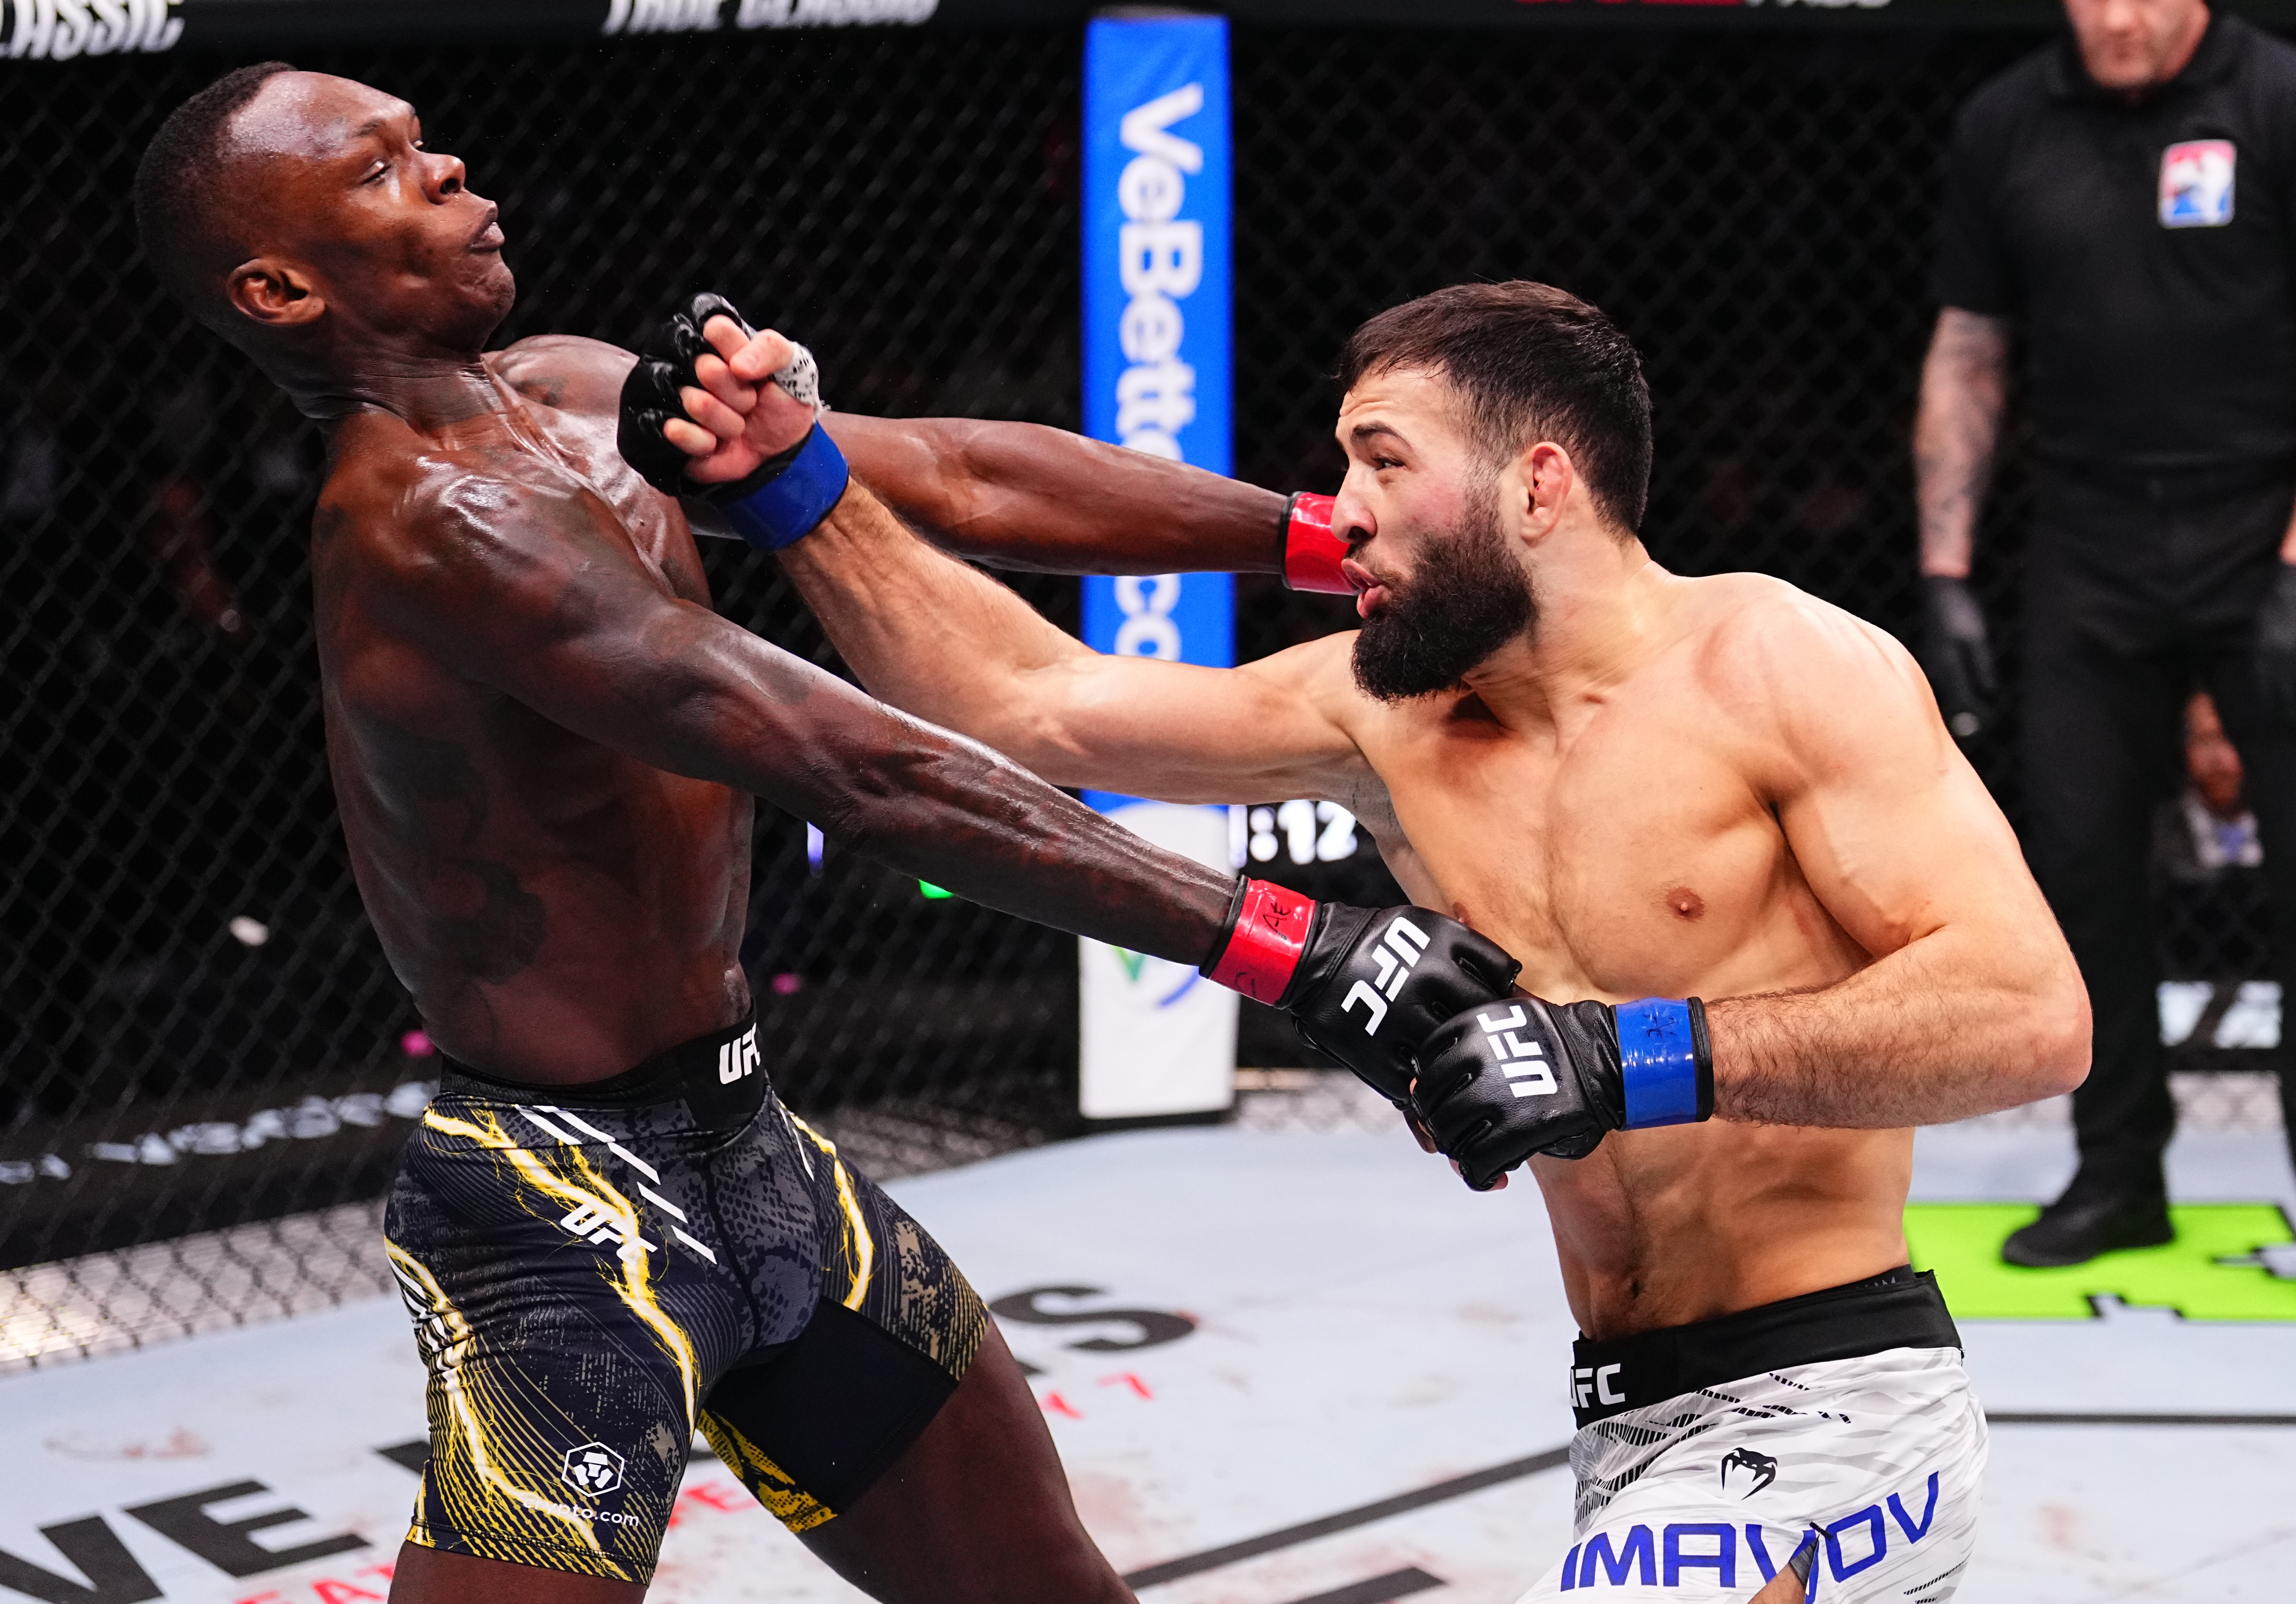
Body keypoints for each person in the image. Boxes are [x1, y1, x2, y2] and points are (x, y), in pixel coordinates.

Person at [129, 65, 1519, 1604]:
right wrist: (1292, 942)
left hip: (752, 1150)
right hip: (557, 1212)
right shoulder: (426, 527)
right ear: (279, 285)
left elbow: (954, 474)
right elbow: (856, 766)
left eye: (425, 138)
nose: (452, 169)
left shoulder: (581, 391)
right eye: (382, 170)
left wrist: (1350, 547)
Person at [661, 280, 2090, 1603]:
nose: (1342, 512)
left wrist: (1632, 1048)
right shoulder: (1388, 716)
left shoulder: (1783, 668)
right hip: (1625, 1409)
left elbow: (2031, 1012)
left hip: (1834, 1395)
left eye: (1386, 462)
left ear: (1542, 482)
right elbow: (1033, 699)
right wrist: (798, 487)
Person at [1914, 0, 2296, 1267]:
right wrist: (1948, 567)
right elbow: (1971, 350)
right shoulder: (2008, 122)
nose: (2121, 18)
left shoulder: (2276, 98)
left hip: (2263, 520)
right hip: (2089, 542)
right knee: (2077, 868)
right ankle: (2117, 1173)